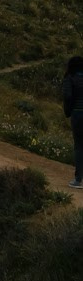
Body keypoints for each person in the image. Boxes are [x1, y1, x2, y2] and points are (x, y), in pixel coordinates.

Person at [62, 57, 83, 188]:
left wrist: (68, 111)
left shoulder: (70, 78)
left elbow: (67, 96)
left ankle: (78, 179)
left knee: (79, 146)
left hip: (78, 114)